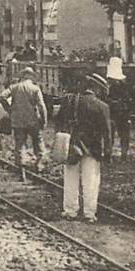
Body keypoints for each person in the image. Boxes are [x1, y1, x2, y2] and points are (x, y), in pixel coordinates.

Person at [57, 75, 113, 222]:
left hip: (72, 146)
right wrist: (108, 152)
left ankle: (70, 211)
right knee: (91, 182)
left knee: (70, 179)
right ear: (96, 89)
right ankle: (89, 213)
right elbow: (107, 133)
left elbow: (58, 123)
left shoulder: (69, 101)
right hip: (92, 149)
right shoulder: (102, 106)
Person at [0, 66, 47, 181]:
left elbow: (1, 97)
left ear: (22, 76)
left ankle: (22, 170)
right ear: (31, 76)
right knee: (38, 142)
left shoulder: (15, 87)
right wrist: (44, 121)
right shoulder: (35, 88)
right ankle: (39, 166)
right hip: (33, 120)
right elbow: (41, 106)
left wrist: (9, 109)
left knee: (20, 144)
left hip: (18, 121)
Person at [105, 57, 132, 160]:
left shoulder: (114, 85)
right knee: (119, 133)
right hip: (119, 112)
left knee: (114, 133)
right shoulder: (123, 85)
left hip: (117, 112)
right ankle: (117, 154)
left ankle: (118, 154)